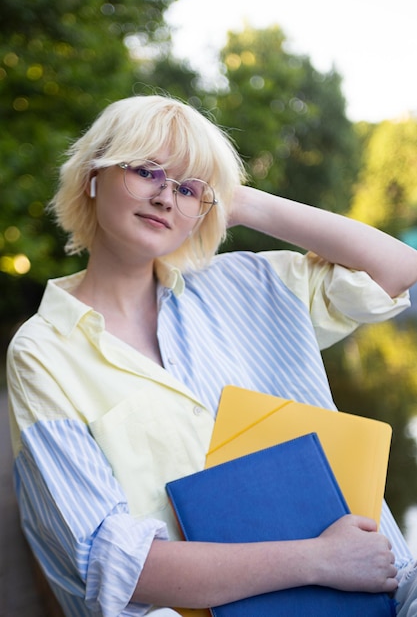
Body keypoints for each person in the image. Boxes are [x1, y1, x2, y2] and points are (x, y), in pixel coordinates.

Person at [6, 93, 417, 617]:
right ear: (92, 175)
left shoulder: (247, 284)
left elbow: (396, 270)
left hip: (376, 595)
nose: (165, 199)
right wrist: (318, 560)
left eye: (186, 187)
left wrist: (239, 201)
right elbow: (114, 565)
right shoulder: (42, 353)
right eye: (146, 171)